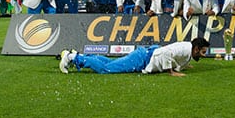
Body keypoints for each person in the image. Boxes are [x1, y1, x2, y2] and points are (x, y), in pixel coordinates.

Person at [59, 37, 210, 77]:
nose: (203, 55)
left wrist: (183, 65)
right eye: (202, 52)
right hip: (143, 59)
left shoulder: (188, 50)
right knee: (107, 69)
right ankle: (72, 57)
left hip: (145, 56)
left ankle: (81, 56)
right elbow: (165, 53)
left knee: (111, 63)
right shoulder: (184, 48)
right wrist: (171, 71)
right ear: (196, 48)